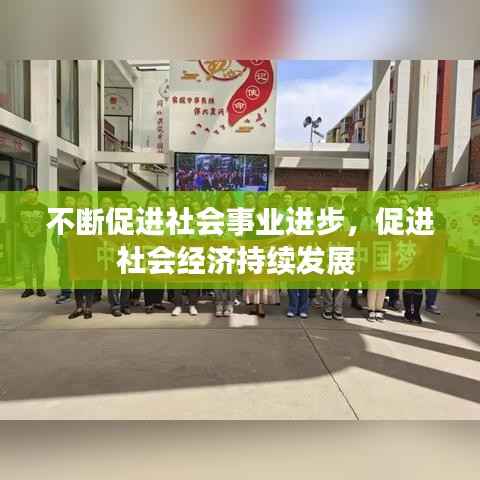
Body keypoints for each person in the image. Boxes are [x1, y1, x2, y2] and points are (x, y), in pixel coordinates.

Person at [16, 185, 49, 298]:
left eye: (32, 192)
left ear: (37, 194)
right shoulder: (19, 208)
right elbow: (16, 223)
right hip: (24, 241)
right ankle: (28, 288)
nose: (30, 195)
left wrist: (38, 231)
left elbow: (48, 223)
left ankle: (40, 288)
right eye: (28, 193)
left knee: (40, 265)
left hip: (40, 241)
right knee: (26, 265)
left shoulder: (43, 207)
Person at [68, 193, 95, 319]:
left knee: (89, 280)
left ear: (90, 204)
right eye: (80, 201)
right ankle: (79, 307)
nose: (82, 203)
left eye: (85, 201)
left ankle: (88, 307)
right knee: (77, 280)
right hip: (76, 252)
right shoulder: (72, 216)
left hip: (90, 252)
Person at [52, 193, 76, 304]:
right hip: (63, 249)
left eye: (71, 200)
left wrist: (70, 234)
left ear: (75, 202)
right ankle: (65, 292)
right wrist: (56, 245)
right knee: (64, 272)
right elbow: (55, 233)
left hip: (75, 249)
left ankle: (71, 294)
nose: (69, 203)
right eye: (67, 201)